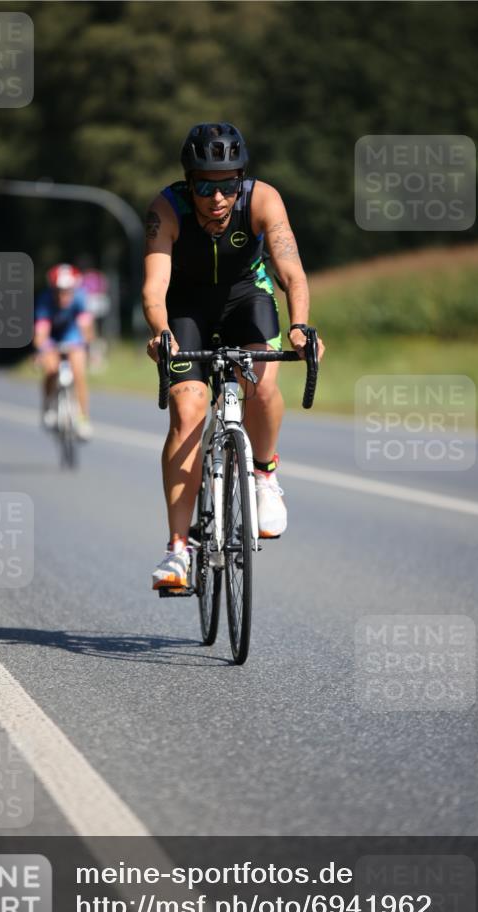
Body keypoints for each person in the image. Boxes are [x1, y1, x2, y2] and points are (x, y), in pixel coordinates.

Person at [144, 122, 325, 589]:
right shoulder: (167, 208)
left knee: (262, 384)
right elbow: (154, 287)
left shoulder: (263, 200)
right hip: (186, 308)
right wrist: (161, 332)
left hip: (248, 298)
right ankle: (178, 551)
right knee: (187, 411)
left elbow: (291, 271)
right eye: (205, 185)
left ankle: (264, 477)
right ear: (189, 183)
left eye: (227, 184)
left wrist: (301, 326)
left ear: (241, 179)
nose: (217, 197)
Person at [34, 263, 95, 441]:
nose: (63, 295)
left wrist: (89, 347)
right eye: (59, 291)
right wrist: (41, 350)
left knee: (79, 373)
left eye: (68, 291)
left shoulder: (80, 298)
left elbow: (86, 327)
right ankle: (48, 407)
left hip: (72, 335)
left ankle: (83, 418)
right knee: (51, 369)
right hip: (51, 337)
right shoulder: (45, 300)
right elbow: (41, 331)